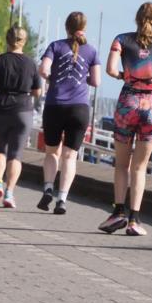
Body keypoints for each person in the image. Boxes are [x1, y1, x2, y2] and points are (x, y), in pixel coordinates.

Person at [98, 2, 152, 236]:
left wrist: (129, 76)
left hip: (128, 105)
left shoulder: (121, 40)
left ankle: (117, 213)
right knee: (140, 167)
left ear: (136, 18)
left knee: (122, 164)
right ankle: (135, 220)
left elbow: (111, 70)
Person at [37, 12, 101, 214]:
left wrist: (53, 78)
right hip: (79, 108)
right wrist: (83, 78)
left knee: (51, 152)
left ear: (67, 27)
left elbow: (43, 70)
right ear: (85, 27)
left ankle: (48, 188)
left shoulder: (55, 46)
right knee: (70, 156)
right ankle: (62, 199)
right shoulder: (91, 51)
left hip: (55, 105)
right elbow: (96, 81)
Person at [0, 25, 42, 208]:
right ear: (24, 41)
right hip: (23, 109)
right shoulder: (31, 63)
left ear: (7, 40)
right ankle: (9, 193)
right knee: (15, 154)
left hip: (0, 106)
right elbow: (37, 91)